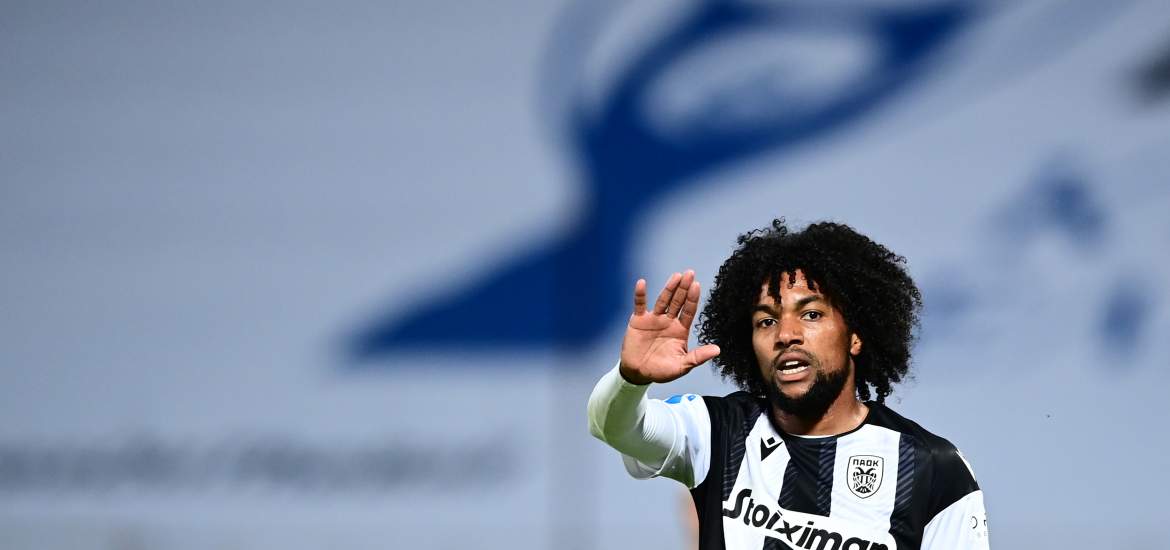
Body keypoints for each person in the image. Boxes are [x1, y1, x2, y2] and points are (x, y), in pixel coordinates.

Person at [588, 220, 989, 550]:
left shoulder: (933, 468)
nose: (786, 334)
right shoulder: (717, 431)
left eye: (811, 315)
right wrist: (630, 379)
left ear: (855, 335)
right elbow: (614, 428)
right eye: (766, 321)